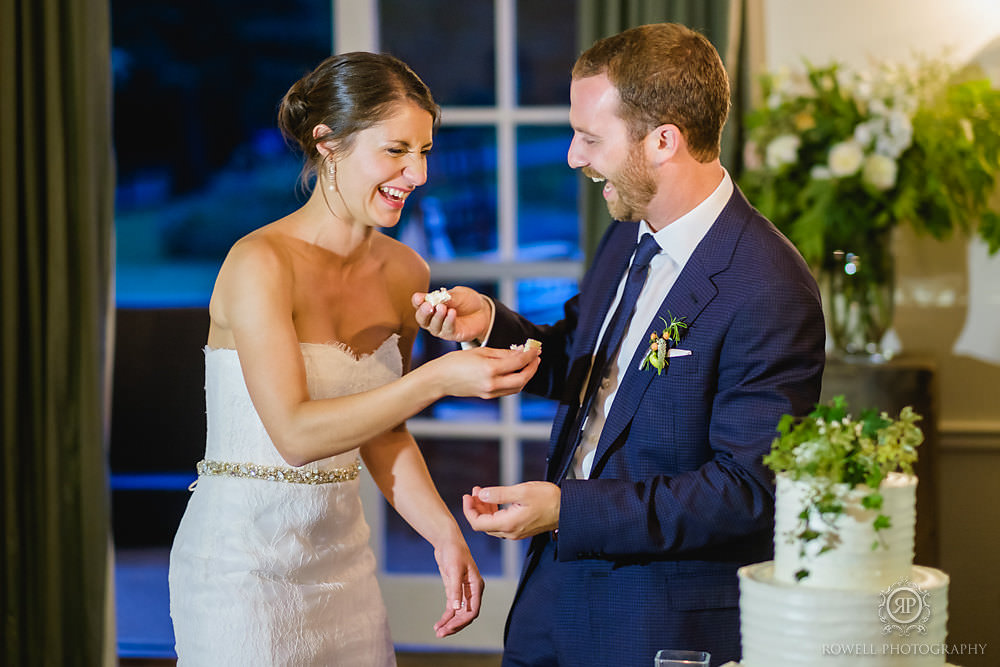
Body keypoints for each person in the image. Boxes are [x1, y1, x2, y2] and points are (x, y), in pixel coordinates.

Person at [414, 23, 826, 667]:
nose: (575, 158)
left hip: (657, 619)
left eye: (590, 137)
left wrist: (564, 509)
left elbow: (747, 490)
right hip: (553, 591)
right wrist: (491, 323)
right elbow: (588, 358)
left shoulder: (768, 285)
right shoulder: (630, 231)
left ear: (664, 141)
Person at [168, 52, 541, 666]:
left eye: (424, 151)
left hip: (345, 566)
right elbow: (294, 433)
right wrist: (440, 378)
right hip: (240, 572)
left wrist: (445, 535)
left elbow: (384, 431)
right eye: (396, 150)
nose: (416, 173)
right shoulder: (259, 264)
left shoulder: (405, 273)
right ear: (329, 144)